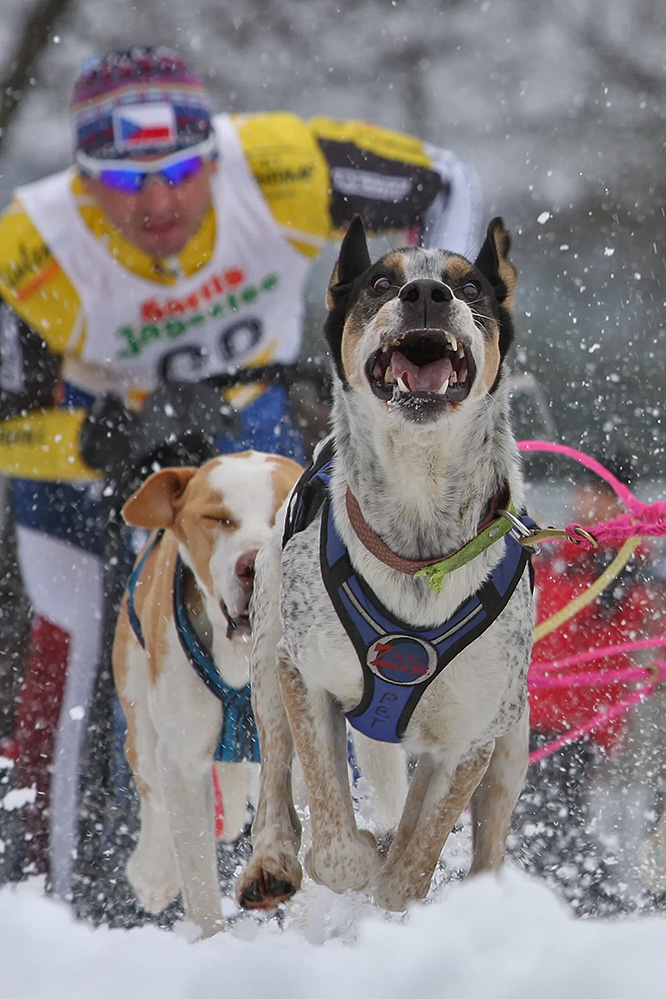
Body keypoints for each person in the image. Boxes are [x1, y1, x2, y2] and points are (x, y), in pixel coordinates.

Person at [0, 45, 481, 901]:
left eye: (179, 170)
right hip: (83, 464)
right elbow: (10, 425)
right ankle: (63, 906)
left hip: (247, 414)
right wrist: (100, 438)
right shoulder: (32, 247)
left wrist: (396, 330)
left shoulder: (280, 165)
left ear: (212, 155)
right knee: (89, 670)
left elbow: (442, 183)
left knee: (320, 626)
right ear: (82, 181)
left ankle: (348, 869)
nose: (156, 201)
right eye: (122, 180)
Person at [510, 455, 659, 915]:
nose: (581, 501)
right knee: (522, 818)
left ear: (615, 500)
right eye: (578, 490)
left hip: (579, 725)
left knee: (548, 820)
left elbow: (657, 626)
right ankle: (567, 899)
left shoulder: (629, 567)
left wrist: (654, 666)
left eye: (592, 493)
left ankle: (581, 906)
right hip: (526, 713)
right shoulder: (559, 551)